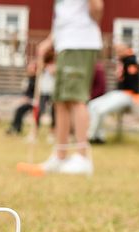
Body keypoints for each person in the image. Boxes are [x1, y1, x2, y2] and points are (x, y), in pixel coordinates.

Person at [33, 0, 104, 176]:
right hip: (64, 45)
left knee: (75, 98)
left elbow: (97, 8)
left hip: (80, 43)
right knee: (60, 100)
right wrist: (50, 41)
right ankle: (60, 155)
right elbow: (63, 15)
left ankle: (82, 158)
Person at [87, 44, 139, 144]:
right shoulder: (122, 62)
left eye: (119, 51)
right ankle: (99, 136)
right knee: (92, 105)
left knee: (100, 110)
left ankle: (91, 136)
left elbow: (132, 81)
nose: (117, 54)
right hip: (119, 93)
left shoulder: (131, 62)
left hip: (129, 95)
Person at [6, 51, 56, 136]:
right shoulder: (33, 77)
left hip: (48, 95)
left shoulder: (48, 72)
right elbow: (27, 92)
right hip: (37, 98)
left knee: (52, 111)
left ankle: (51, 132)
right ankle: (19, 129)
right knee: (26, 110)